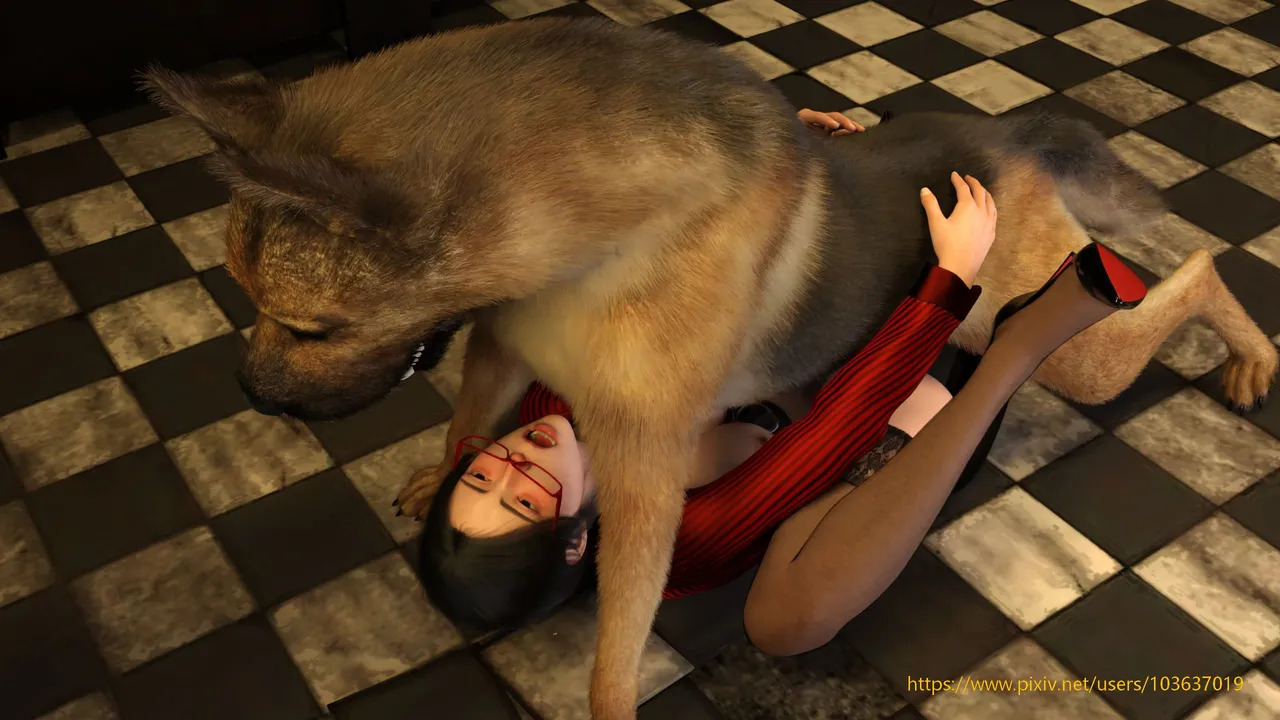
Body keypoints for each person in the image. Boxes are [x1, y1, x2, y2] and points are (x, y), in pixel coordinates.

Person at [419, 110, 1147, 655]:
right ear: (575, 542)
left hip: (802, 365)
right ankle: (1016, 352)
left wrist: (788, 168)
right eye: (524, 498)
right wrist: (950, 277)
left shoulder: (551, 401)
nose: (518, 460)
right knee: (790, 612)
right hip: (869, 431)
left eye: (482, 474)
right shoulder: (691, 534)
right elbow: (839, 430)